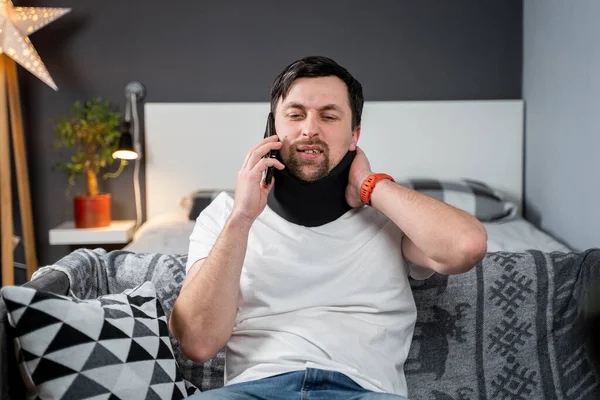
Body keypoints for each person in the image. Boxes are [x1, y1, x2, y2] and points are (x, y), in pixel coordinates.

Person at [169, 56, 488, 399]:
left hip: (362, 391)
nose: (309, 129)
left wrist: (369, 185)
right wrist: (243, 218)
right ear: (272, 129)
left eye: (329, 115)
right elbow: (198, 342)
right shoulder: (225, 216)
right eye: (295, 115)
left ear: (355, 135)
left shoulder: (392, 214)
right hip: (254, 391)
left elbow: (466, 246)